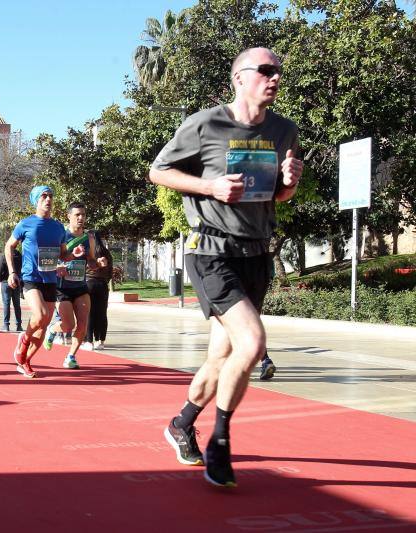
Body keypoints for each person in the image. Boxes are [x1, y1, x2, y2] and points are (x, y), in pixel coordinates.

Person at [149, 47, 302, 488]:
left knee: (222, 356)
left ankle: (182, 422)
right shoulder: (206, 124)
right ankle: (220, 441)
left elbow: (277, 196)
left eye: (278, 71)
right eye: (266, 70)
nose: (275, 78)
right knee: (252, 344)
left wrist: (290, 183)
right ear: (239, 78)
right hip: (211, 250)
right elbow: (159, 171)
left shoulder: (284, 131)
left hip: (256, 253)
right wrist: (210, 187)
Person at [5, 185, 86, 379]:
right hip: (31, 278)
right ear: (36, 200)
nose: (48, 199)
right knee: (40, 315)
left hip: (50, 280)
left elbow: (63, 255)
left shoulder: (58, 227)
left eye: (50, 196)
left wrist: (72, 254)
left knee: (43, 326)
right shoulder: (25, 224)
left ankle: (25, 361)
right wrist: (12, 272)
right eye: (43, 196)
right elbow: (9, 246)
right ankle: (24, 340)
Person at [43, 203, 108, 369]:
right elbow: (48, 261)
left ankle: (70, 357)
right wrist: (58, 267)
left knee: (83, 324)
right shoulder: (61, 236)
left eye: (83, 215)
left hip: (80, 287)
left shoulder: (89, 238)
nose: (81, 218)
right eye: (77, 215)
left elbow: (91, 262)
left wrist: (99, 263)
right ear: (69, 216)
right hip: (62, 288)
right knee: (68, 325)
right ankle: (52, 329)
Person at [83, 231, 113, 351]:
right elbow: (110, 271)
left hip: (88, 283)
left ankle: (89, 341)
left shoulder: (87, 252)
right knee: (102, 313)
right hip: (102, 285)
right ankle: (100, 341)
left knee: (89, 313)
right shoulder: (106, 252)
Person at [0, 243, 23, 332]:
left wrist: (0, 279)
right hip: (17, 281)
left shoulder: (4, 256)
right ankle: (19, 325)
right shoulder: (19, 256)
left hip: (5, 282)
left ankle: (6, 325)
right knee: (17, 304)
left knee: (6, 303)